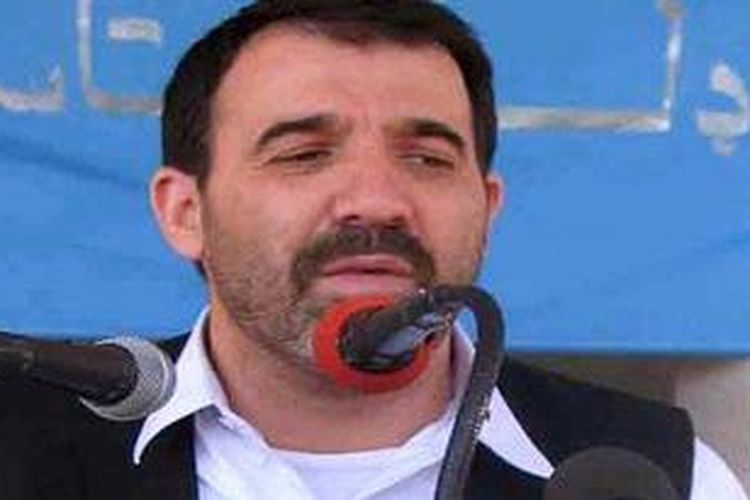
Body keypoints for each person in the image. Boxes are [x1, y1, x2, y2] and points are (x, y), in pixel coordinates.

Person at [0, 1, 746, 499]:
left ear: (487, 209)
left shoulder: (658, 475)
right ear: (184, 212)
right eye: (304, 155)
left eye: (427, 159)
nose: (377, 201)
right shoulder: (22, 446)